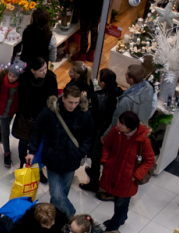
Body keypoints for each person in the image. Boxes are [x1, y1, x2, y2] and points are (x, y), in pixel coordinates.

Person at [26, 85, 94, 217]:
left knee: (63, 193)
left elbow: (89, 134)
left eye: (76, 102)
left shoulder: (85, 114)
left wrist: (81, 151)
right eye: (70, 102)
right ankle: (70, 215)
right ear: (63, 98)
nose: (73, 106)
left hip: (72, 159)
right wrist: (32, 151)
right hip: (53, 158)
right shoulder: (49, 112)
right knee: (56, 194)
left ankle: (55, 216)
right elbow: (37, 131)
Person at [97, 111, 155, 229]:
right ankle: (121, 219)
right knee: (118, 200)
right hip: (113, 173)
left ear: (129, 127)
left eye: (121, 123)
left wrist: (136, 175)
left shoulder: (143, 141)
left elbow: (149, 160)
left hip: (128, 179)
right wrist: (105, 161)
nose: (117, 124)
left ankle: (114, 225)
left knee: (121, 204)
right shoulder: (116, 131)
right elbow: (107, 146)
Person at [80, 69, 123, 192]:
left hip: (99, 129)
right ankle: (95, 173)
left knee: (96, 156)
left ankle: (93, 183)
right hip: (113, 128)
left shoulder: (96, 96)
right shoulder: (117, 92)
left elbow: (90, 112)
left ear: (103, 83)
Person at [14, 57, 58, 168]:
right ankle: (22, 163)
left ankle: (38, 167)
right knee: (24, 142)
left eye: (45, 68)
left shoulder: (50, 78)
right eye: (41, 70)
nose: (45, 72)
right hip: (27, 115)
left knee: (40, 144)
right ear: (33, 70)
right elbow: (22, 98)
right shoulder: (24, 78)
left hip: (43, 117)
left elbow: (53, 98)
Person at [0, 60, 26, 168]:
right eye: (10, 75)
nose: (10, 78)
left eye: (14, 76)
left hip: (13, 110)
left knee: (5, 126)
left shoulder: (21, 85)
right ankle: (7, 152)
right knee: (6, 131)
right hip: (2, 110)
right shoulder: (0, 81)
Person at [104, 64, 156, 137]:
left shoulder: (126, 100)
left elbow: (116, 121)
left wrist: (105, 136)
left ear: (131, 80)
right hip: (142, 131)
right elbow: (153, 106)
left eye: (126, 74)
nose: (125, 74)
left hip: (127, 136)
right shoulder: (149, 88)